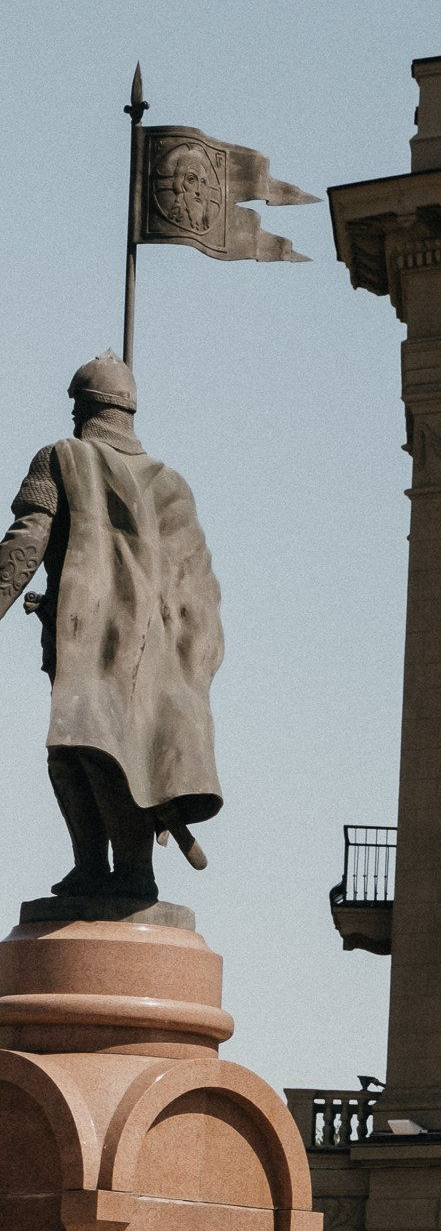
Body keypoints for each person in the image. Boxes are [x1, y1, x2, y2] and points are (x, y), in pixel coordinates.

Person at [0, 356, 224, 913]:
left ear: (81, 408)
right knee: (90, 752)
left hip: (92, 643)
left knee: (84, 751)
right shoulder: (174, 484)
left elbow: (27, 543)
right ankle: (96, 869)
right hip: (156, 656)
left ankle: (130, 874)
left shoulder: (61, 457)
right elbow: (200, 590)